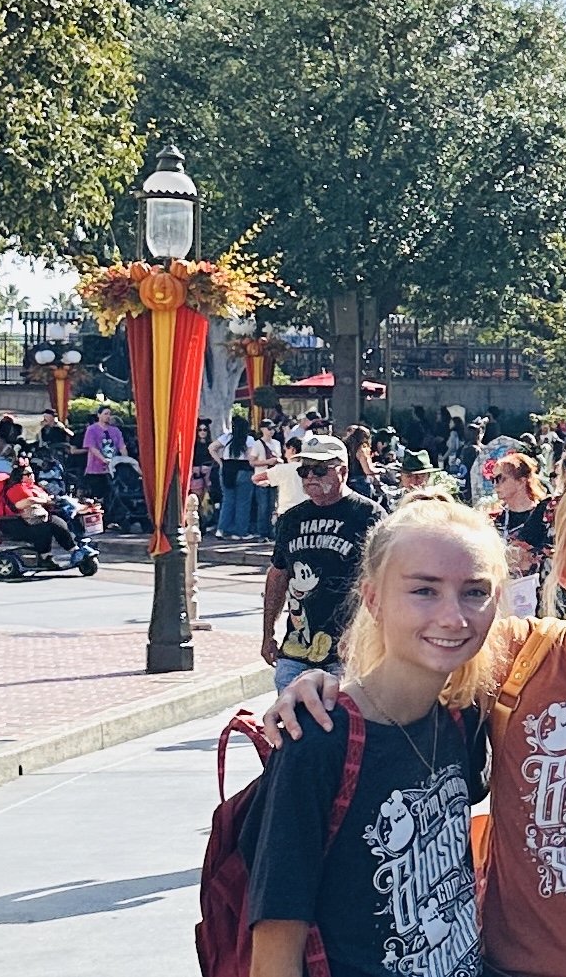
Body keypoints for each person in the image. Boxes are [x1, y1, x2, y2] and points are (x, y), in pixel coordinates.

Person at [271, 464, 566, 977]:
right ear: (563, 570)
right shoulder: (516, 654)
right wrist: (326, 686)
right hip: (516, 967)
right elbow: (413, 667)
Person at [243, 495, 502, 977]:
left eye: (474, 592)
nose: (453, 617)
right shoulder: (318, 737)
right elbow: (274, 950)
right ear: (373, 599)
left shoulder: (461, 718)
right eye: (424, 590)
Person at [262, 434, 384, 693]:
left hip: (348, 649)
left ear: (343, 471)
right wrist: (268, 633)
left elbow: (384, 581)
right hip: (297, 648)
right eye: (304, 470)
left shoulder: (368, 515)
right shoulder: (291, 519)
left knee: (339, 715)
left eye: (319, 470)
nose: (310, 477)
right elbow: (278, 575)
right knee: (291, 715)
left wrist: (371, 637)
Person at [489, 451, 553, 617]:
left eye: (500, 478)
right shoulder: (494, 519)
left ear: (521, 481)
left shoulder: (545, 516)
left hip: (540, 599)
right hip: (504, 600)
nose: (495, 485)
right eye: (493, 480)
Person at [0, 459, 79, 559]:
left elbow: (46, 498)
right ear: (20, 476)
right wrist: (43, 500)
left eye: (32, 473)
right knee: (48, 526)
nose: (32, 475)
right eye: (28, 474)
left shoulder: (33, 487)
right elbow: (22, 504)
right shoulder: (16, 489)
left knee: (58, 521)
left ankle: (71, 549)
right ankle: (53, 554)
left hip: (34, 519)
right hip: (17, 524)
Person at [213, 411, 259, 540]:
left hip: (227, 469)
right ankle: (240, 531)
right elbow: (250, 457)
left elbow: (212, 448)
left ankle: (222, 529)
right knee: (243, 502)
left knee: (228, 501)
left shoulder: (226, 438)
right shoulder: (249, 440)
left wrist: (220, 462)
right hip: (244, 470)